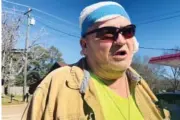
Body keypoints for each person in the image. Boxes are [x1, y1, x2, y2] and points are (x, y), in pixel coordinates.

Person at [22, 1, 170, 120]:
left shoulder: (140, 84)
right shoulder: (56, 85)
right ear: (84, 45)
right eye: (107, 33)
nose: (121, 40)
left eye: (127, 31)